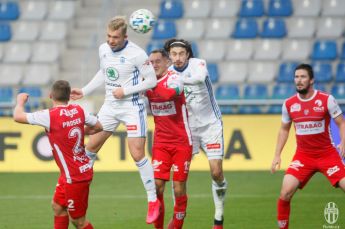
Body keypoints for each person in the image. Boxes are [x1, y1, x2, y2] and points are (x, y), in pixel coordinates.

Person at [69, 16, 160, 224]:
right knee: (90, 147)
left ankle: (153, 200)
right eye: (109, 36)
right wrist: (84, 90)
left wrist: (126, 90)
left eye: (115, 37)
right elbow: (103, 72)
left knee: (137, 153)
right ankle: (78, 189)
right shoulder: (103, 49)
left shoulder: (137, 54)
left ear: (125, 36)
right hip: (110, 106)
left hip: (131, 106)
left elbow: (152, 80)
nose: (111, 41)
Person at [13, 80, 103, 229]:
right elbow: (98, 127)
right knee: (58, 206)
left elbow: (18, 116)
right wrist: (76, 131)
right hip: (72, 172)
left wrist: (20, 100)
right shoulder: (78, 110)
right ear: (68, 96)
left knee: (78, 221)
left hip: (75, 177)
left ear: (50, 96)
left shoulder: (49, 115)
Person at [271, 63, 345, 229]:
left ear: (311, 80)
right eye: (296, 77)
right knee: (285, 192)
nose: (299, 80)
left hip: (327, 154)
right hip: (303, 156)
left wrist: (343, 143)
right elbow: (284, 130)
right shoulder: (289, 104)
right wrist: (277, 155)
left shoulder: (327, 99)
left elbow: (341, 123)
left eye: (303, 77)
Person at [164, 39, 228, 229]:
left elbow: (199, 78)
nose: (177, 58)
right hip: (187, 128)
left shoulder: (198, 64)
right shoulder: (168, 72)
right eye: (173, 54)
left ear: (188, 54)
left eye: (181, 53)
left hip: (210, 124)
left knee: (216, 172)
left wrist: (174, 80)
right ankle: (177, 217)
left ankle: (218, 215)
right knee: (179, 177)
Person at [146, 49, 193, 229]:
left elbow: (168, 95)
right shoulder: (146, 83)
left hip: (182, 142)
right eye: (150, 62)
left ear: (167, 62)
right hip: (160, 143)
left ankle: (177, 225)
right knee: (157, 187)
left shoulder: (175, 78)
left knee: (178, 188)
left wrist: (148, 84)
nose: (154, 65)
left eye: (158, 61)